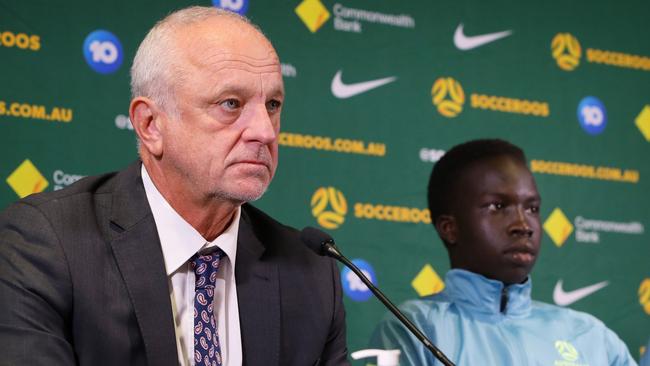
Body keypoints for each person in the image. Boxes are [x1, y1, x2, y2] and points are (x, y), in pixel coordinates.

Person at [0, 7, 349, 366]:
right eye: (231, 104)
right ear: (150, 124)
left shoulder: (310, 270)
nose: (264, 131)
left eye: (273, 104)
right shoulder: (49, 243)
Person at [370, 139, 637, 365]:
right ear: (449, 228)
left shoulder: (590, 336)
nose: (523, 225)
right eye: (498, 206)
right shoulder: (414, 328)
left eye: (532, 208)